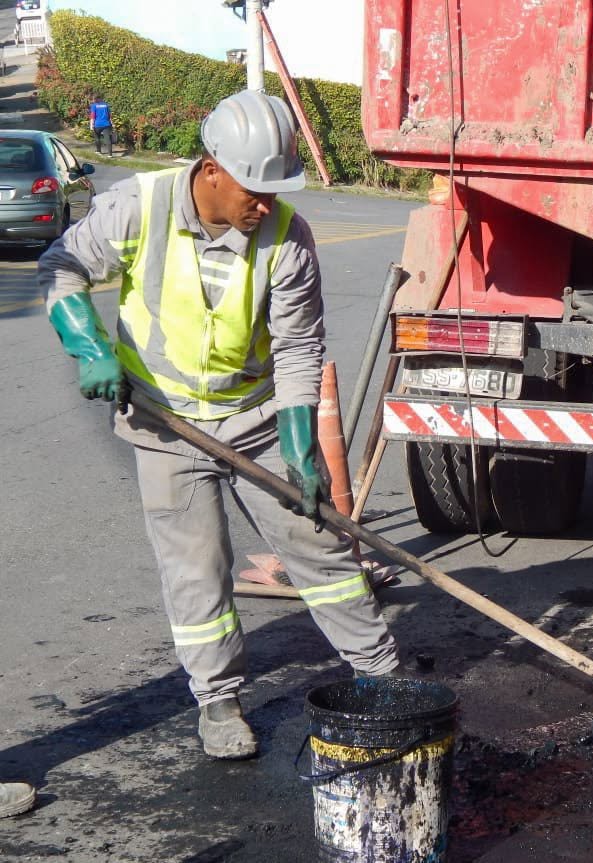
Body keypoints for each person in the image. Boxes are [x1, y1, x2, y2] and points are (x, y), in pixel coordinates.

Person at [38, 89, 401, 761]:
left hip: (255, 418)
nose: (264, 205)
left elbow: (298, 346)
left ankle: (380, 672)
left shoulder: (287, 236)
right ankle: (218, 700)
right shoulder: (138, 206)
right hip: (165, 425)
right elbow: (62, 266)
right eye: (254, 191)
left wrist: (300, 444)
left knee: (319, 549)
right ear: (212, 169)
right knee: (196, 569)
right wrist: (87, 346)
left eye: (274, 191)